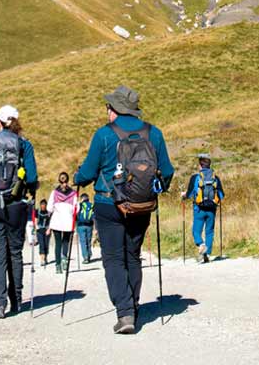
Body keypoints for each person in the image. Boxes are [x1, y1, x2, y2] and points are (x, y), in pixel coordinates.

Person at [74, 85, 175, 335]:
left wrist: (77, 177)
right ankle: (134, 304)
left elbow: (87, 172)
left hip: (109, 204)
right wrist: (154, 190)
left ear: (115, 109)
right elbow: (168, 171)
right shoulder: (155, 133)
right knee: (132, 255)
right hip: (142, 206)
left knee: (113, 258)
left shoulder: (103, 135)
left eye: (108, 106)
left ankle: (125, 311)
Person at [0, 104, 39, 318]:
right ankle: (17, 300)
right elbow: (31, 178)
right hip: (16, 207)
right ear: (17, 122)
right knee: (15, 253)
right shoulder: (24, 145)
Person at [182, 153, 223, 263]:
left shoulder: (195, 177)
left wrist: (184, 195)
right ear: (209, 165)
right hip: (212, 209)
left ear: (200, 165)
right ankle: (207, 254)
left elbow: (190, 194)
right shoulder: (216, 178)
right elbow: (221, 195)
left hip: (199, 209)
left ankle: (201, 244)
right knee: (209, 231)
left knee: (196, 231)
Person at [48, 172, 77, 274]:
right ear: (67, 181)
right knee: (65, 241)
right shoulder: (73, 193)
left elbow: (49, 208)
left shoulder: (54, 193)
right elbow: (76, 209)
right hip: (68, 220)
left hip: (56, 220)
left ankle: (58, 265)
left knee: (58, 243)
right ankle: (64, 258)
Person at [76, 193, 95, 263]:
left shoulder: (80, 205)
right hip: (90, 225)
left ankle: (85, 257)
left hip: (81, 225)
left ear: (82, 198)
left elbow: (76, 214)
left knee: (83, 241)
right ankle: (89, 255)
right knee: (88, 241)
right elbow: (94, 216)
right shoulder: (92, 205)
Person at [35, 198, 52, 266]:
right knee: (41, 244)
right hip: (40, 230)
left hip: (47, 229)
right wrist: (36, 227)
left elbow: (51, 221)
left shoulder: (49, 212)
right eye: (42, 205)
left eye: (44, 205)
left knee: (46, 244)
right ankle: (42, 259)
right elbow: (36, 220)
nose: (43, 206)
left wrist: (49, 229)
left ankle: (46, 257)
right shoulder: (37, 211)